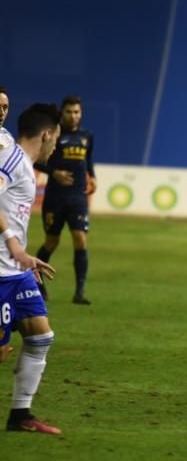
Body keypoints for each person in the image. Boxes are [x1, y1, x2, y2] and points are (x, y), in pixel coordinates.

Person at [1, 103, 61, 434]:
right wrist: (13, 246)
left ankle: (20, 415)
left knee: (40, 336)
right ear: (47, 134)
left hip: (17, 272)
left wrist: (23, 257)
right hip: (0, 272)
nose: (55, 147)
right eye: (56, 140)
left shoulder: (25, 164)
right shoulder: (12, 161)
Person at [34, 95, 96, 305]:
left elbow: (88, 161)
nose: (73, 115)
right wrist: (55, 173)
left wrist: (92, 176)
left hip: (78, 197)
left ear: (81, 113)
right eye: (69, 112)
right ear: (62, 113)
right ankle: (38, 281)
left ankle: (80, 292)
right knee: (52, 241)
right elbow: (37, 161)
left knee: (80, 239)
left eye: (76, 112)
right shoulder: (53, 134)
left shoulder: (87, 136)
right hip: (55, 198)